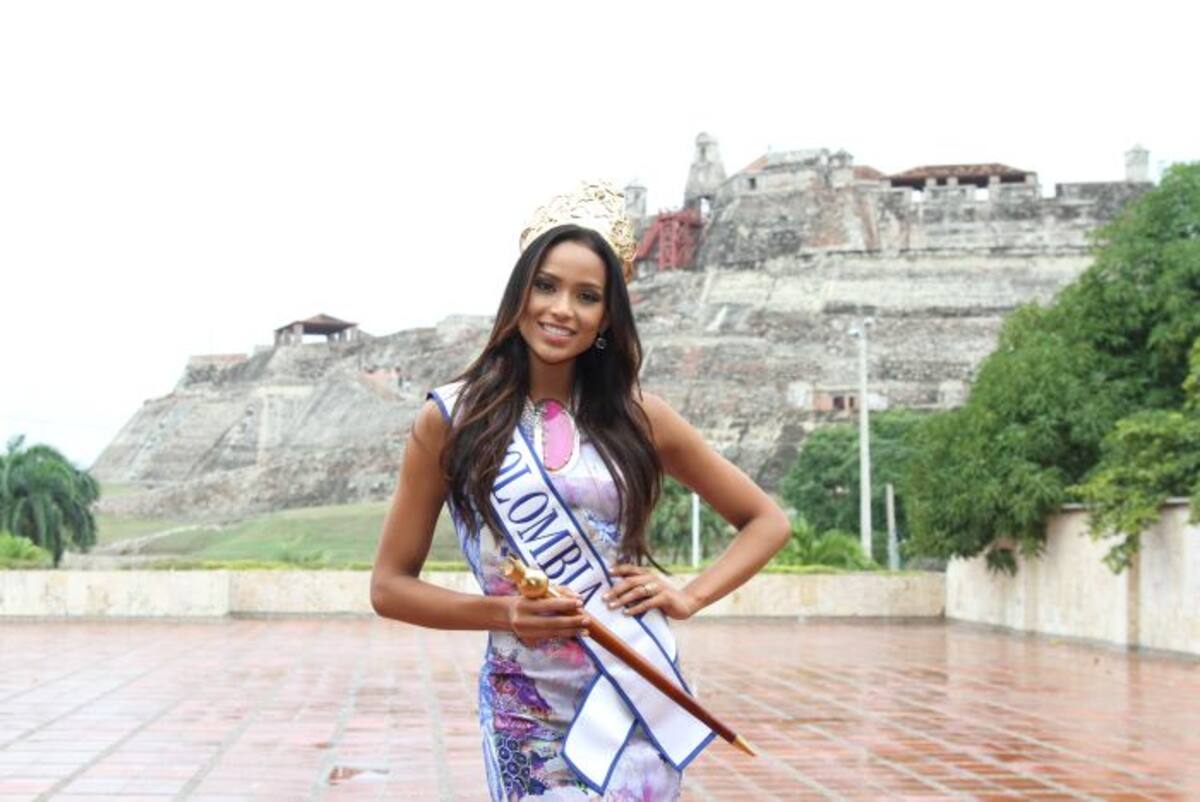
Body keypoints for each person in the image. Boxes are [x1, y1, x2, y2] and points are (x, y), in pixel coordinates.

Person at [370, 181, 790, 801]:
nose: (562, 308)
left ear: (604, 318)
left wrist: (690, 594)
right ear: (519, 295)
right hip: (527, 710)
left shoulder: (640, 416)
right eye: (546, 286)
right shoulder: (453, 420)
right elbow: (389, 587)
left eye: (586, 296)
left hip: (633, 698)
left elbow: (766, 520)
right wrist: (506, 612)